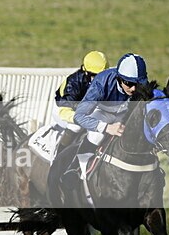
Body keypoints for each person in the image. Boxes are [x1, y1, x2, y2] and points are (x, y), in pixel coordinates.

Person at [48, 52, 148, 197]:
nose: (134, 89)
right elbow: (79, 117)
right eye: (129, 84)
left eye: (137, 84)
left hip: (118, 111)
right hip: (71, 109)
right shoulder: (91, 83)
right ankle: (71, 166)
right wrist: (107, 127)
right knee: (87, 131)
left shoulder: (135, 81)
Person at [52, 50, 108, 151]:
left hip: (86, 110)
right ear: (85, 71)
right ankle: (58, 157)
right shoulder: (73, 83)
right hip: (64, 110)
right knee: (76, 127)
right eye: (95, 75)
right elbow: (64, 112)